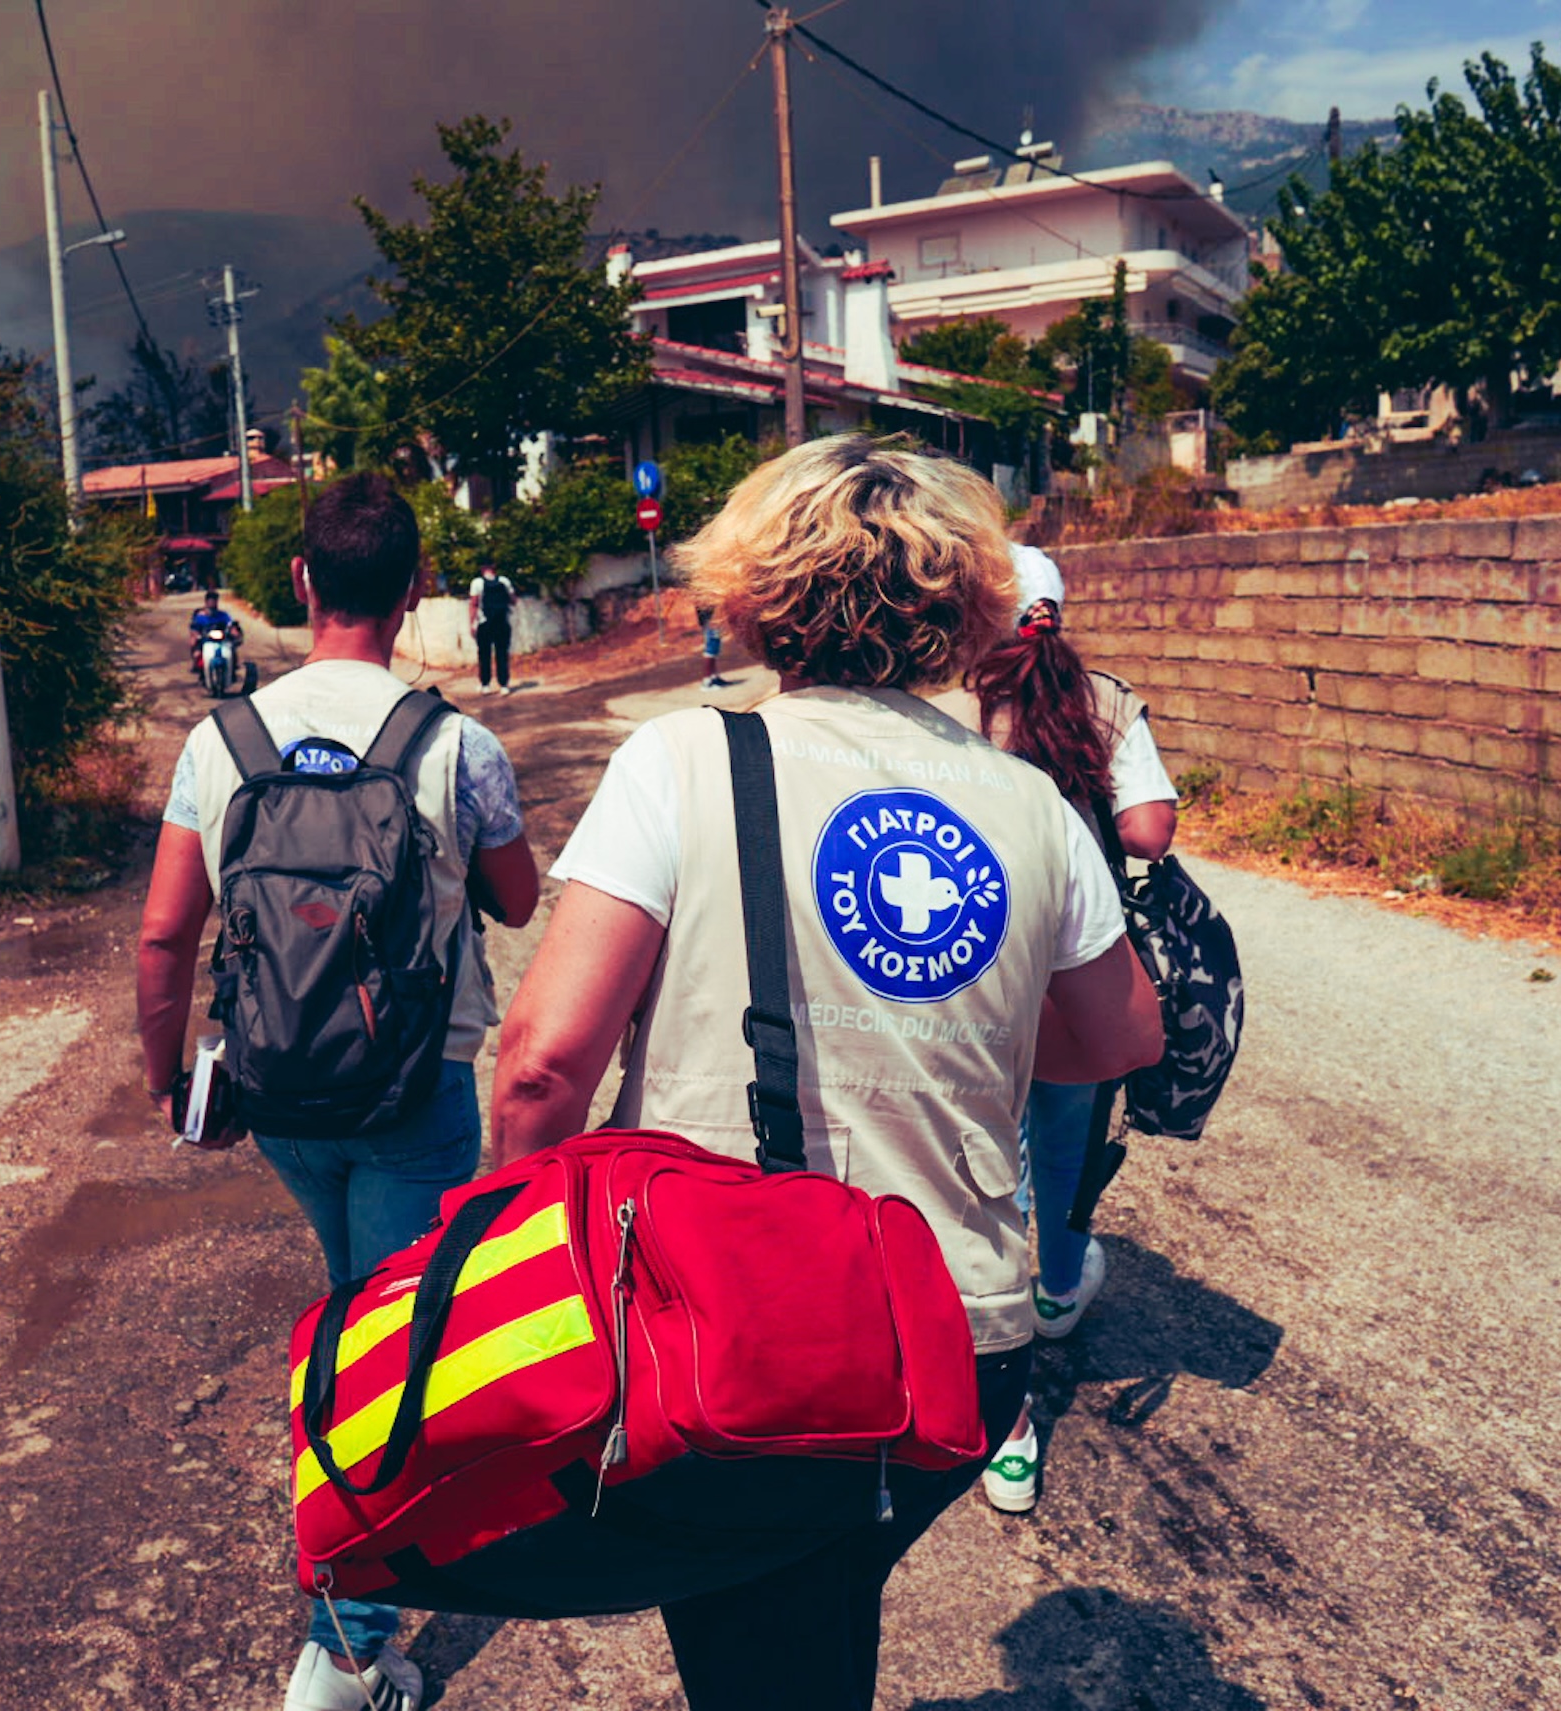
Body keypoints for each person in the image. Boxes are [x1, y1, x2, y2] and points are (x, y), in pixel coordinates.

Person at [489, 436, 1164, 1711]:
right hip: (961, 1342)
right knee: (805, 1606)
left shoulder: (681, 762)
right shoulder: (1026, 803)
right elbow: (1121, 1036)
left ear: (751, 592)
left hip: (731, 1338)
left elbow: (541, 1061)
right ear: (964, 607)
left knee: (767, 1640)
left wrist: (508, 1276)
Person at [135, 475, 542, 1711]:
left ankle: (362, 1597)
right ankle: (350, 1649)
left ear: (301, 583)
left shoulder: (222, 743)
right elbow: (521, 901)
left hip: (283, 1101)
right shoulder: (451, 743)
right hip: (417, 1098)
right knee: (383, 1347)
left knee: (356, 1311)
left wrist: (173, 1083)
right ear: (416, 590)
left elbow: (164, 938)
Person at [925, 543, 1178, 1514]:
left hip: (967, 980)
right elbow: (1149, 831)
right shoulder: (1103, 698)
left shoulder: (943, 710)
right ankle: (1060, 1286)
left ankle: (1008, 1427)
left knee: (974, 1176)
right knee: (1064, 1151)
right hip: (1072, 977)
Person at [467, 563, 516, 694]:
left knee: (484, 654)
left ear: (482, 569)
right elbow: (513, 600)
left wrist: (472, 623)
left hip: (484, 623)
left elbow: (474, 604)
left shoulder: (477, 583)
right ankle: (504, 685)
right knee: (502, 654)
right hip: (502, 622)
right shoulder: (504, 581)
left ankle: (485, 685)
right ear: (494, 569)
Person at [188, 588, 243, 679]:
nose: (212, 603)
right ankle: (198, 667)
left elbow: (231, 624)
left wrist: (234, 632)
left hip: (222, 640)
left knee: (232, 650)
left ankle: (232, 668)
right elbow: (194, 628)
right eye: (210, 601)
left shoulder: (223, 615)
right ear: (206, 602)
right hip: (206, 640)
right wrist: (196, 635)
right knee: (197, 653)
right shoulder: (200, 617)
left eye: (214, 601)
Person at [694, 602, 725, 689]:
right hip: (710, 620)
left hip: (711, 620)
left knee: (713, 649)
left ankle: (714, 677)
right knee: (711, 650)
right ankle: (707, 682)